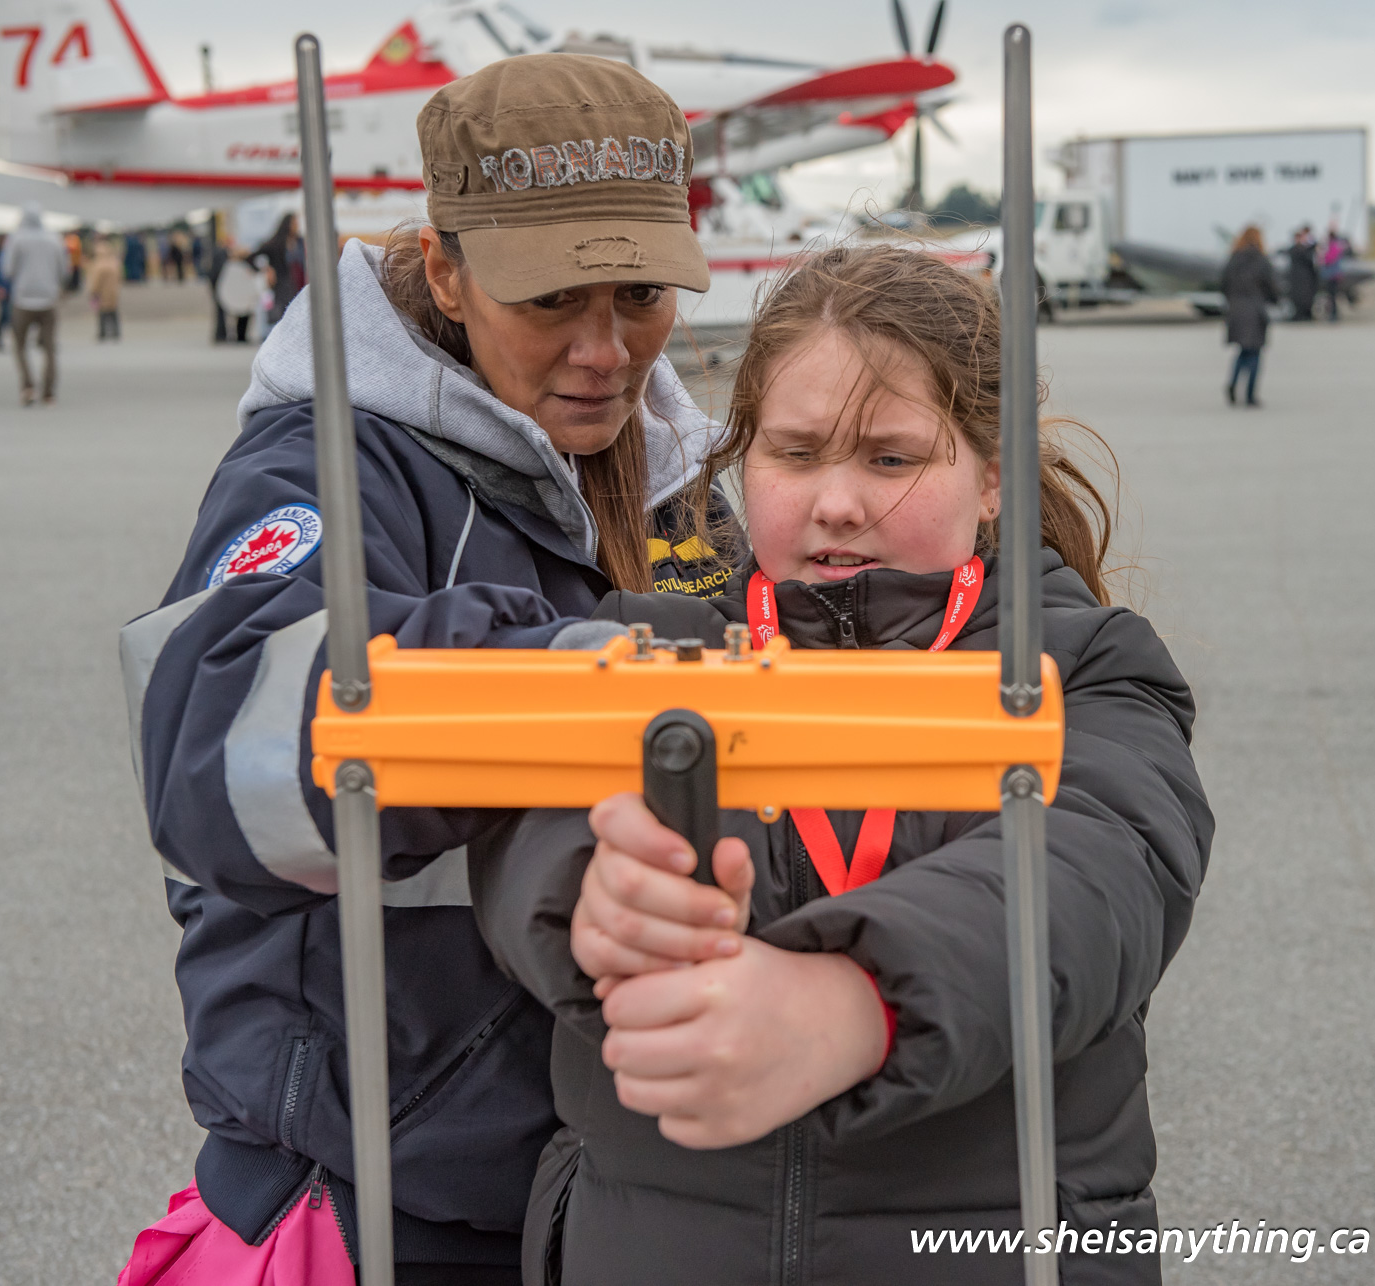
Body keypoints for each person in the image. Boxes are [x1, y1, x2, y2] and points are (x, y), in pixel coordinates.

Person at [471, 244, 1213, 1285]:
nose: (837, 502)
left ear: (991, 476)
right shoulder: (650, 647)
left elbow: (1104, 867)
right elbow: (525, 816)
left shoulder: (1082, 664)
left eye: (891, 459)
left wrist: (855, 1001)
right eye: (797, 452)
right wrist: (588, 900)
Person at [117, 54, 727, 1286]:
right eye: (552, 299)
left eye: (642, 294)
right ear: (446, 269)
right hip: (387, 1198)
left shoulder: (689, 475)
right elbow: (209, 748)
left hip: (622, 1193)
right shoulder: (325, 464)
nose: (607, 349)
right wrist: (579, 681)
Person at [2, 203, 68, 406]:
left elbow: (7, 269)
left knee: (20, 346)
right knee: (49, 348)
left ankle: (28, 386)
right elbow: (64, 270)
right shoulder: (54, 239)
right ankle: (48, 392)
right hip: (48, 299)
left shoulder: (17, 239)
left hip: (23, 299)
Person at [1220, 225, 1277, 408]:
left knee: (1242, 351)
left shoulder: (1233, 259)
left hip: (1236, 310)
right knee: (1255, 353)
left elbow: (1223, 284)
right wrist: (1274, 300)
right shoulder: (1262, 260)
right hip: (1256, 310)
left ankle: (1233, 383)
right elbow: (1271, 287)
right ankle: (1250, 395)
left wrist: (1232, 302)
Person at [256, 212, 305, 325]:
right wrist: (266, 268)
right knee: (284, 311)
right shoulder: (276, 243)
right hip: (283, 282)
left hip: (298, 281)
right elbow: (256, 256)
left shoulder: (299, 241)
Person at [210, 240, 263, 343]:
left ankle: (236, 335)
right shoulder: (228, 261)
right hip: (232, 292)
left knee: (243, 313)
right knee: (236, 313)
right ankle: (227, 335)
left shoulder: (238, 263)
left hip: (238, 292)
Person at [87, 236, 123, 340]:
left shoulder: (98, 265)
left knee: (102, 313)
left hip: (102, 292)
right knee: (113, 312)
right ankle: (116, 331)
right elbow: (120, 277)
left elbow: (96, 281)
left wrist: (93, 291)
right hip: (113, 291)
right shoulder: (114, 262)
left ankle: (102, 332)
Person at [1286, 224, 1317, 320]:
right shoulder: (1297, 250)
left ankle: (1305, 314)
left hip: (1304, 278)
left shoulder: (1304, 249)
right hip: (1299, 278)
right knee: (1299, 298)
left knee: (1305, 297)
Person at [1319, 228, 1349, 322]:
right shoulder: (1337, 246)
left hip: (1332, 275)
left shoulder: (1333, 247)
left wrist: (1322, 257)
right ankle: (1333, 313)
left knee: (1332, 296)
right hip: (1334, 275)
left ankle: (1333, 314)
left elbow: (1329, 259)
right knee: (1332, 296)